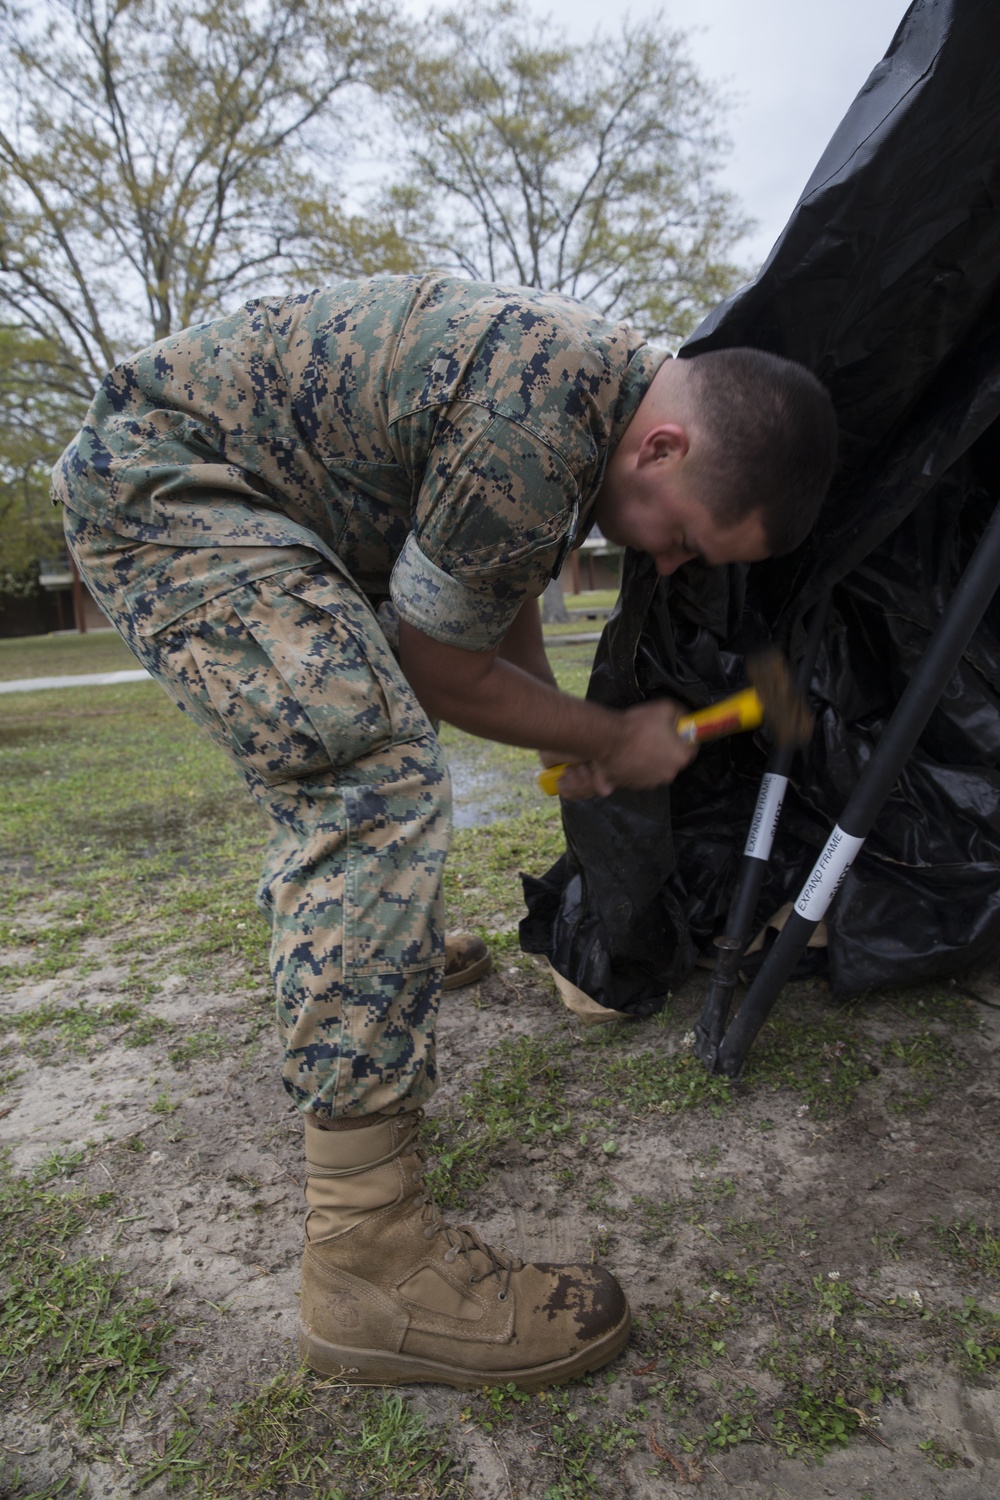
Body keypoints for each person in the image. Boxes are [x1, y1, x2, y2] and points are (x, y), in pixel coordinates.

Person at [55, 273, 837, 1393]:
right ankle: (367, 1258)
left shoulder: (582, 404)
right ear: (661, 450)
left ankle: (378, 957)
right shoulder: (538, 417)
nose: (670, 567)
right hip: (166, 490)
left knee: (362, 729)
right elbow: (439, 662)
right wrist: (609, 738)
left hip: (251, 495)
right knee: (367, 773)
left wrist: (557, 731)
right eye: (689, 540)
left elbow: (481, 594)